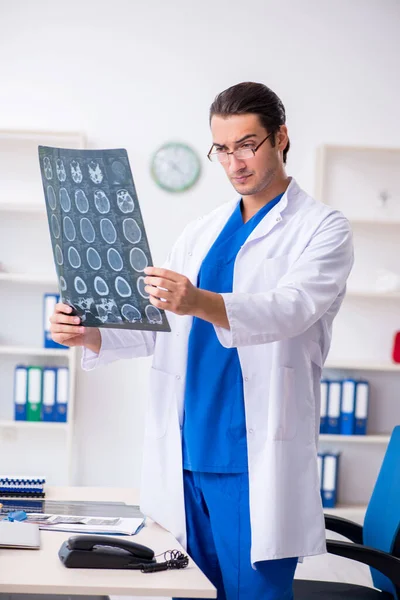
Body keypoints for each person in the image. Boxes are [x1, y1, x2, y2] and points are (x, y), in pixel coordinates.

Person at [50, 81, 354, 600]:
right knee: (191, 593)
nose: (235, 162)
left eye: (248, 144)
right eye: (223, 148)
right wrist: (90, 333)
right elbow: (165, 324)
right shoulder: (202, 230)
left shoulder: (322, 227)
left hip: (252, 457)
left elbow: (292, 308)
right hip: (186, 452)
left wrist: (198, 301)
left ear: (280, 137)